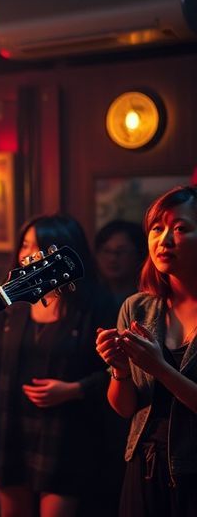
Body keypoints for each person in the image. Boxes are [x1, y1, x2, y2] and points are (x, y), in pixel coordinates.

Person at [0, 214, 114, 517]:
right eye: (25, 245)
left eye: (39, 246)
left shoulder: (96, 303)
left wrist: (75, 390)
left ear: (60, 253)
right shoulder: (12, 300)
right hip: (11, 420)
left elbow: (117, 370)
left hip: (67, 428)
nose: (28, 254)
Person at [96, 185, 197, 517]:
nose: (164, 239)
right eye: (157, 228)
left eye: (181, 228)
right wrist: (121, 369)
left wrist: (159, 367)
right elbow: (126, 409)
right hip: (143, 466)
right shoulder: (137, 308)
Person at [95, 219, 147, 312]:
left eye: (121, 251)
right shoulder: (90, 299)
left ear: (139, 254)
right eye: (107, 251)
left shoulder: (146, 301)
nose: (112, 258)